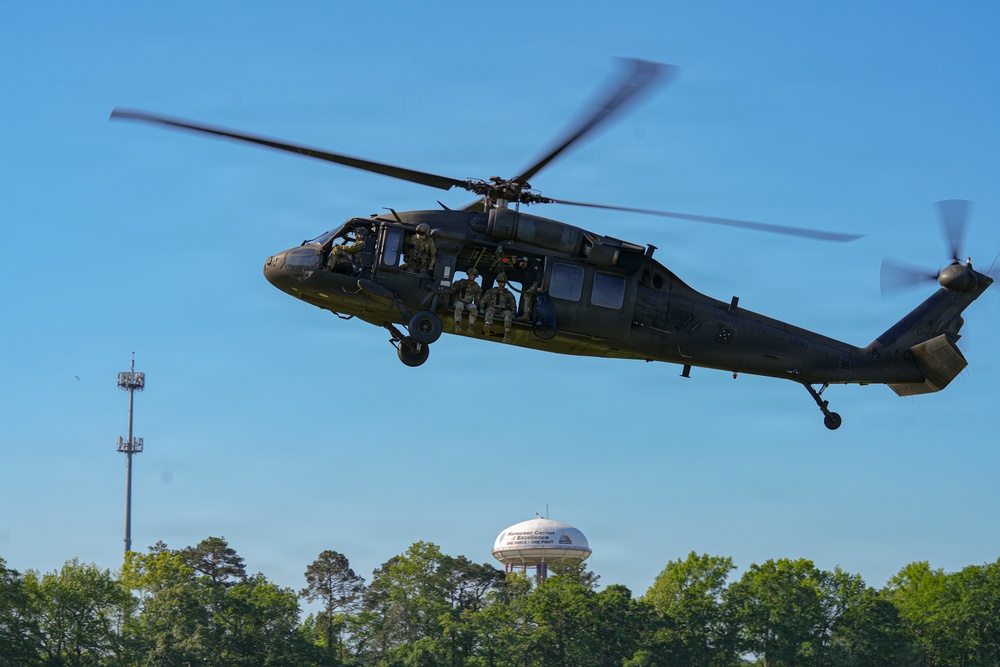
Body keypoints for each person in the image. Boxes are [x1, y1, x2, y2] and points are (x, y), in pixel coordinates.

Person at [481, 272, 517, 343]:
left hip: (503, 310)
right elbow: (484, 299)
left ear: (505, 283)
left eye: (502, 282)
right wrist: (481, 309)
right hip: (493, 308)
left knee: (508, 313)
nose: (500, 283)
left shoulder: (508, 294)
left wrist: (513, 314)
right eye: (499, 282)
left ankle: (506, 335)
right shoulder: (492, 291)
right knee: (490, 310)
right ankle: (487, 325)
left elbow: (513, 305)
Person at [511, 256, 543, 321]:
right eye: (521, 266)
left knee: (527, 294)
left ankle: (526, 315)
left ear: (525, 261)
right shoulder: (525, 268)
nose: (523, 267)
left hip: (537, 282)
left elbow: (539, 273)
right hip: (532, 284)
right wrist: (514, 263)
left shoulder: (534, 263)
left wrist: (539, 286)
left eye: (523, 264)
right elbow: (518, 272)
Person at [451, 268, 482, 333]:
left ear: (475, 276)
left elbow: (477, 299)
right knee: (459, 306)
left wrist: (477, 305)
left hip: (468, 303)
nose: (470, 276)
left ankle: (470, 328)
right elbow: (453, 289)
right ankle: (457, 325)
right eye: (469, 274)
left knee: (474, 308)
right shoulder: (462, 282)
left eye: (473, 275)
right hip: (459, 300)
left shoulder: (476, 287)